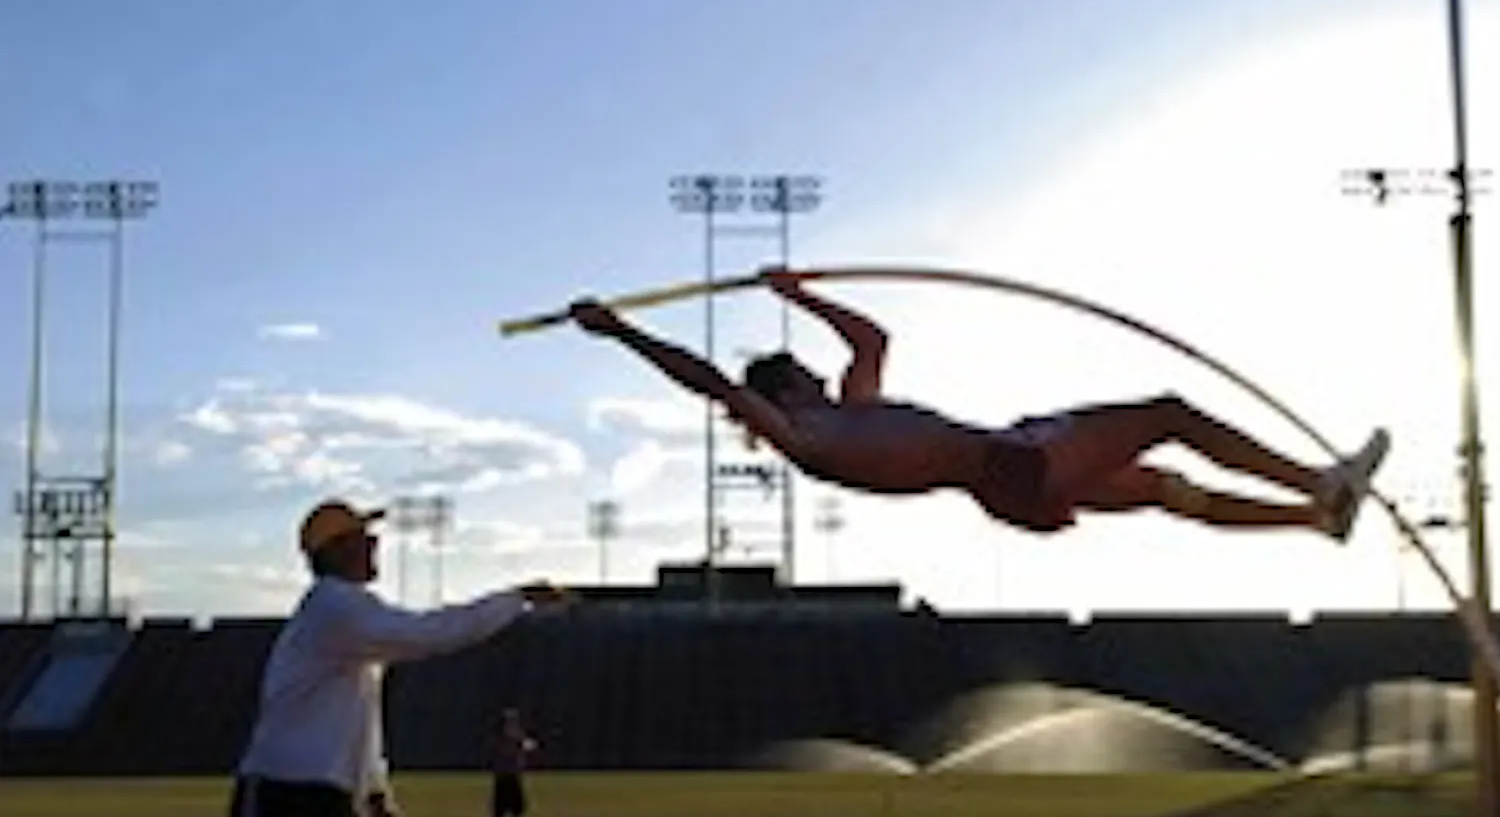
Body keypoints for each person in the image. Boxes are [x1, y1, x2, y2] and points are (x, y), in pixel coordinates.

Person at [568, 268, 1390, 542]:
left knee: (1162, 490)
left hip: (1011, 479)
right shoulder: (803, 431)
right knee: (1168, 411)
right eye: (807, 374)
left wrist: (802, 293)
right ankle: (1319, 480)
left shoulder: (850, 411)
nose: (824, 376)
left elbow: (872, 340)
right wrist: (621, 332)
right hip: (1011, 462)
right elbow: (708, 379)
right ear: (785, 390)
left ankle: (1314, 521)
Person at [194, 498, 570, 817]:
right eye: (363, 538)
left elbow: (357, 721)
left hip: (309, 797)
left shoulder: (345, 615)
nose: (375, 544)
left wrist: (375, 793)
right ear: (337, 550)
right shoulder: (337, 606)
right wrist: (516, 598)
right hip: (287, 798)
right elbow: (430, 633)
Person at [487, 707, 537, 817]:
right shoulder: (501, 738)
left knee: (517, 811)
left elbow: (528, 747)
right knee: (499, 812)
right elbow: (510, 748)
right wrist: (522, 744)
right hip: (504, 777)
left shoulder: (516, 735)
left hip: (513, 776)